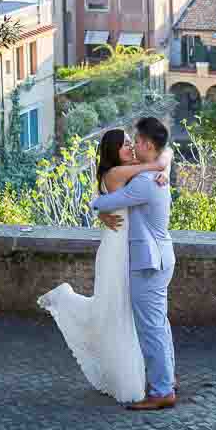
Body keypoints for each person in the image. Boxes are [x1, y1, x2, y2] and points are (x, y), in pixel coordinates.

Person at [37, 128, 172, 404]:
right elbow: (154, 162)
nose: (130, 148)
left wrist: (166, 163)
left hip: (130, 250)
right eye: (124, 145)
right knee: (117, 311)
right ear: (112, 151)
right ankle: (152, 380)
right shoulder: (117, 174)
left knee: (138, 317)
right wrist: (161, 165)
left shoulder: (131, 171)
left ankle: (162, 380)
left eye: (131, 144)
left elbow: (163, 153)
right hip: (117, 250)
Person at [93, 117, 177, 411]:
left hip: (148, 262)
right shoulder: (152, 174)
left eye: (137, 141)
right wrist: (161, 163)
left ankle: (162, 390)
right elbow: (166, 154)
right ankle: (167, 379)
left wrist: (96, 205)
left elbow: (105, 201)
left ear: (149, 146)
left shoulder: (144, 182)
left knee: (151, 327)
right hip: (161, 256)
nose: (134, 145)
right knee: (159, 324)